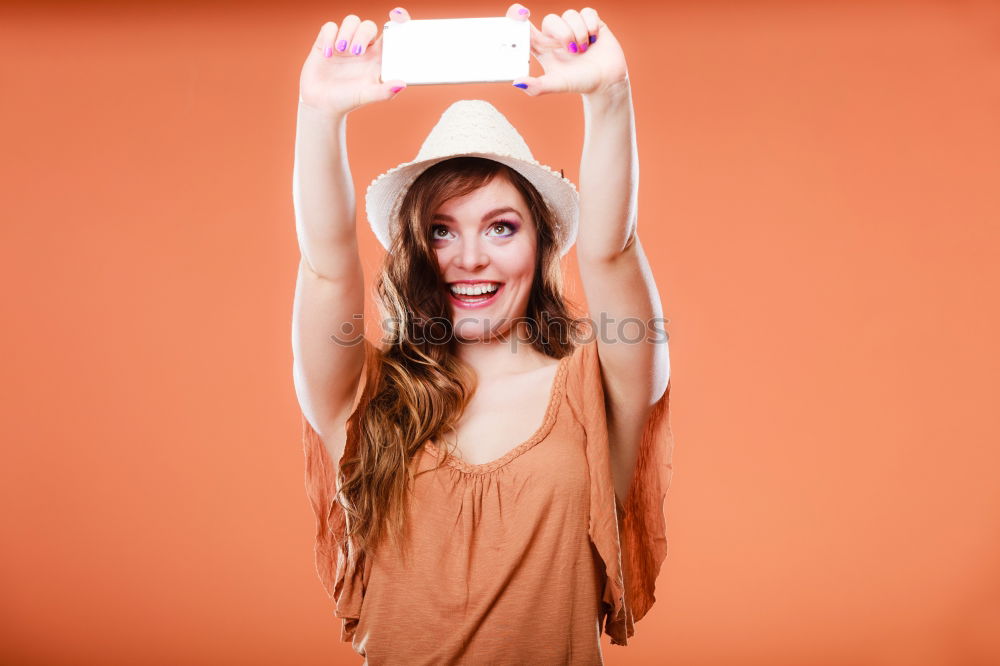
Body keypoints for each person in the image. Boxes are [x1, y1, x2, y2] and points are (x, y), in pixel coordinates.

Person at [292, 4, 675, 664]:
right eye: (442, 229)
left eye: (501, 226)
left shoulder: (598, 386)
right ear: (415, 247)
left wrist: (609, 96)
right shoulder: (366, 393)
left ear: (543, 244)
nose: (470, 258)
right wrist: (319, 115)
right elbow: (327, 269)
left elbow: (614, 252)